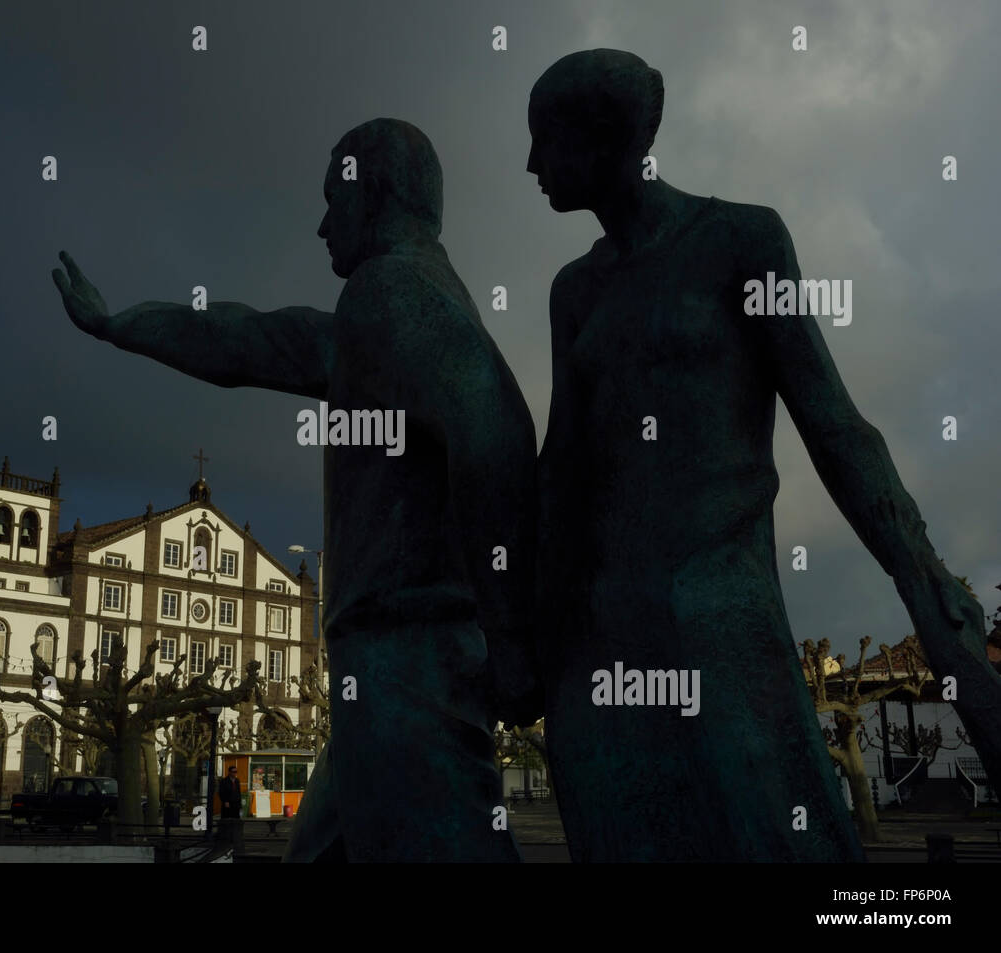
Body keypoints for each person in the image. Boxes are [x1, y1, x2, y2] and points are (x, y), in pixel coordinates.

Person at [527, 48, 998, 861]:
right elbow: (561, 468)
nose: (531, 165)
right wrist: (520, 628)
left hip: (720, 615)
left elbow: (833, 421)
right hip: (603, 635)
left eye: (546, 140)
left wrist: (923, 580)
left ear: (604, 140)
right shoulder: (574, 292)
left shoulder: (741, 240)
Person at [53, 117, 540, 861]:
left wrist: (510, 633)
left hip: (401, 662)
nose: (319, 225)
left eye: (330, 200)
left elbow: (496, 427)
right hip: (386, 666)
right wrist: (120, 325)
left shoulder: (390, 292)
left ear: (372, 195)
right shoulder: (392, 306)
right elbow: (245, 339)